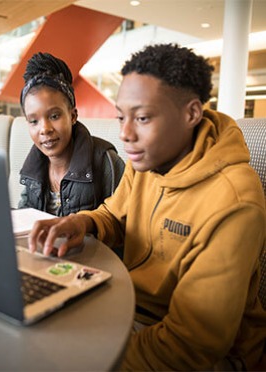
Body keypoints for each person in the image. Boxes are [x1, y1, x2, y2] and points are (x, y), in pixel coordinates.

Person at [28, 44, 266, 370]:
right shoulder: (148, 161)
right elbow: (113, 213)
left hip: (209, 355)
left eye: (141, 118)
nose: (125, 135)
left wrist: (91, 356)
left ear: (191, 114)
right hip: (130, 309)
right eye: (121, 117)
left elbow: (191, 344)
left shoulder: (235, 202)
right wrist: (82, 223)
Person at [18, 52, 125, 216]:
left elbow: (123, 226)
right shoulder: (33, 167)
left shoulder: (106, 162)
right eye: (34, 121)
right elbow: (22, 220)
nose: (44, 129)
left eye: (54, 116)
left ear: (73, 116)